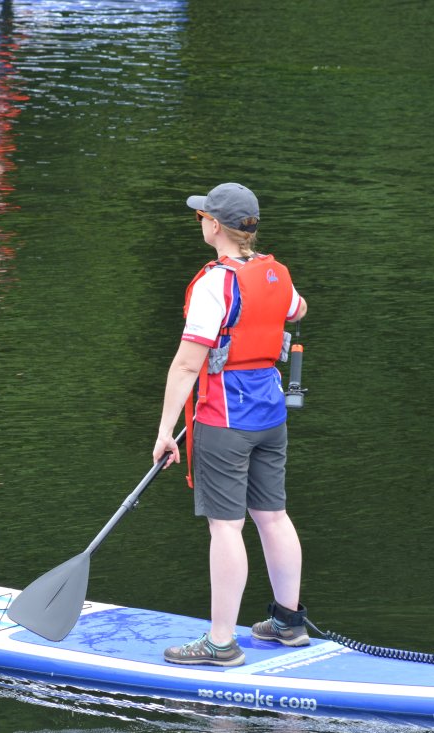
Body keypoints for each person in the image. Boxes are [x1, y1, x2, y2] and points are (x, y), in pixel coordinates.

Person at [152, 182, 309, 667]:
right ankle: (288, 622)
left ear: (214, 225)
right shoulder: (276, 273)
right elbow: (298, 310)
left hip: (224, 419)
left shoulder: (213, 283)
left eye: (201, 215)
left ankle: (221, 643)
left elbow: (185, 366)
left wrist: (163, 432)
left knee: (226, 527)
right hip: (271, 413)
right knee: (273, 516)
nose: (198, 220)